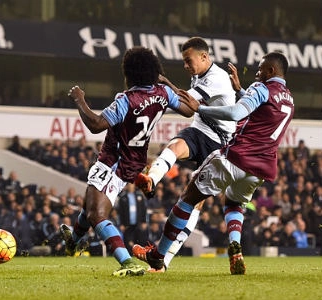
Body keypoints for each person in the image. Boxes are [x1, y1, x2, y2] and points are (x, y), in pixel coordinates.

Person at [133, 51, 294, 275]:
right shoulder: (288, 98)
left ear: (271, 71)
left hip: (235, 157)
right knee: (233, 203)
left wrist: (201, 109)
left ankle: (158, 256)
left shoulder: (261, 88)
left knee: (188, 197)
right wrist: (240, 91)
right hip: (260, 169)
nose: (256, 74)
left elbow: (238, 112)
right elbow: (262, 110)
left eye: (259, 69)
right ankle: (235, 247)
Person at [60, 46, 195, 276]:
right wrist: (167, 82)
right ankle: (73, 242)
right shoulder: (163, 93)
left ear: (129, 73)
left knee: (96, 214)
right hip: (134, 163)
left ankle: (126, 262)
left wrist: (80, 99)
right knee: (89, 204)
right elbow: (190, 110)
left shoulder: (127, 100)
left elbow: (95, 124)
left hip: (112, 161)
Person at [133, 37, 237, 269]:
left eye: (188, 61)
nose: (186, 66)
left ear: (204, 57)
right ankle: (151, 179)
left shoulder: (216, 78)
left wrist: (163, 87)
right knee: (175, 146)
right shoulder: (199, 74)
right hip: (201, 131)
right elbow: (189, 109)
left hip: (219, 142)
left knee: (192, 202)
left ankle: (162, 261)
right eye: (184, 62)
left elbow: (188, 106)